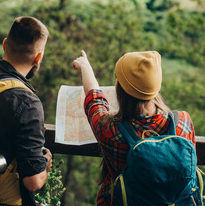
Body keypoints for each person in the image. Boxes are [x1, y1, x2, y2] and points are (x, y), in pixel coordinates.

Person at [72, 50, 196, 206]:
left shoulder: (111, 130)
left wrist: (85, 67)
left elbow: (95, 102)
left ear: (120, 89)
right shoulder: (183, 123)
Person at [0, 16, 53, 206]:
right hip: (2, 199)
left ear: (5, 44)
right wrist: (44, 164)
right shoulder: (29, 103)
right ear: (38, 57)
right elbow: (33, 182)